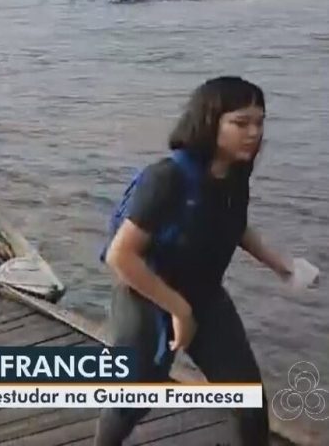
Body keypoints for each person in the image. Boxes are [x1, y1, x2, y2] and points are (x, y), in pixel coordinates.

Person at [94, 77, 292, 446]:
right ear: (210, 120)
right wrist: (179, 310)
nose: (254, 133)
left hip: (205, 296)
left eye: (259, 122)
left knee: (249, 400)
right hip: (147, 296)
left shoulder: (235, 173)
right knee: (131, 400)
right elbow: (121, 255)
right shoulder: (167, 178)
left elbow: (231, 222)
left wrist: (277, 262)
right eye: (241, 122)